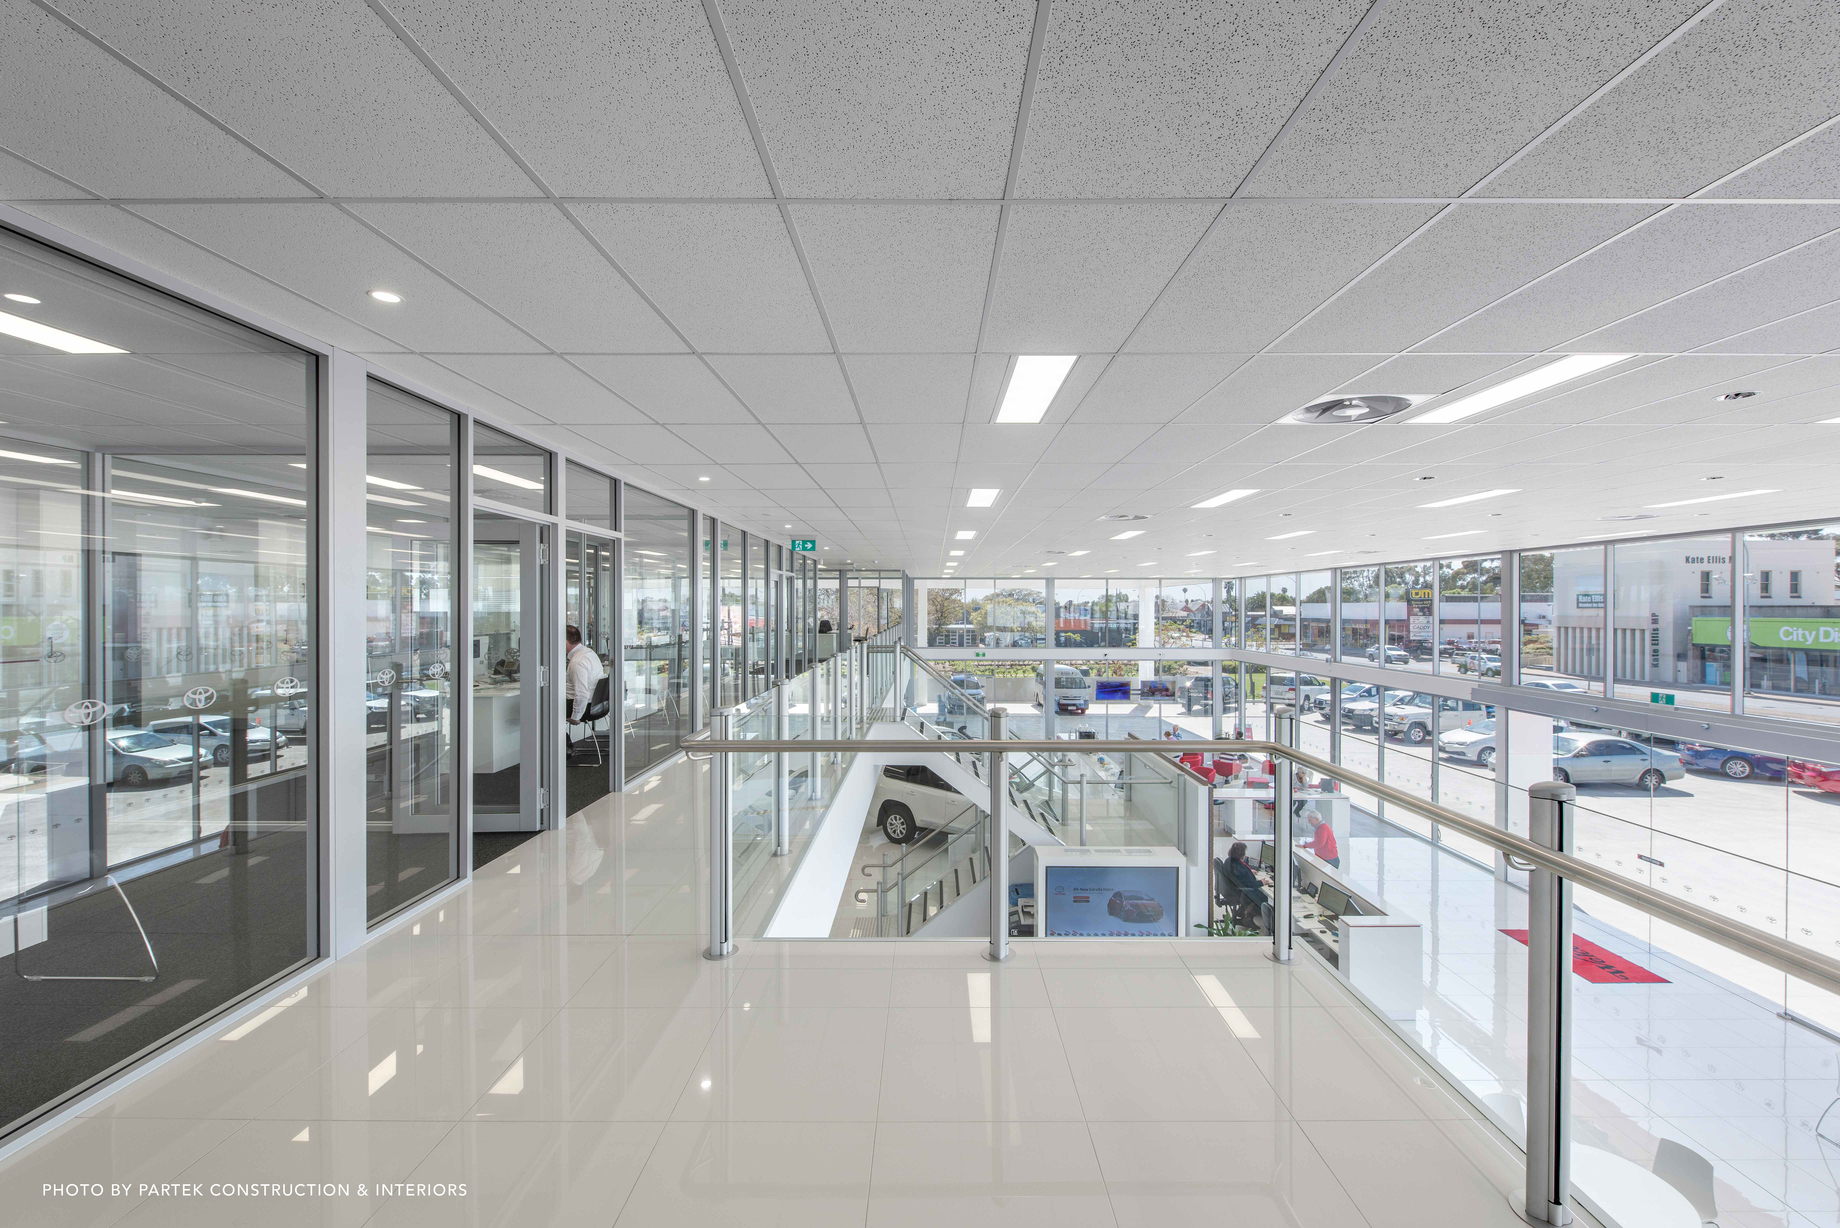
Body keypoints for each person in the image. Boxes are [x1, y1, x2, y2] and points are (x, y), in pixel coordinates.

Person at [564, 624, 606, 744]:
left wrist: (575, 717)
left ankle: (562, 750)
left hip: (585, 707)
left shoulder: (577, 662)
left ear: (565, 642)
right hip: (597, 703)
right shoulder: (588, 652)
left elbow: (581, 693)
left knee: (542, 708)